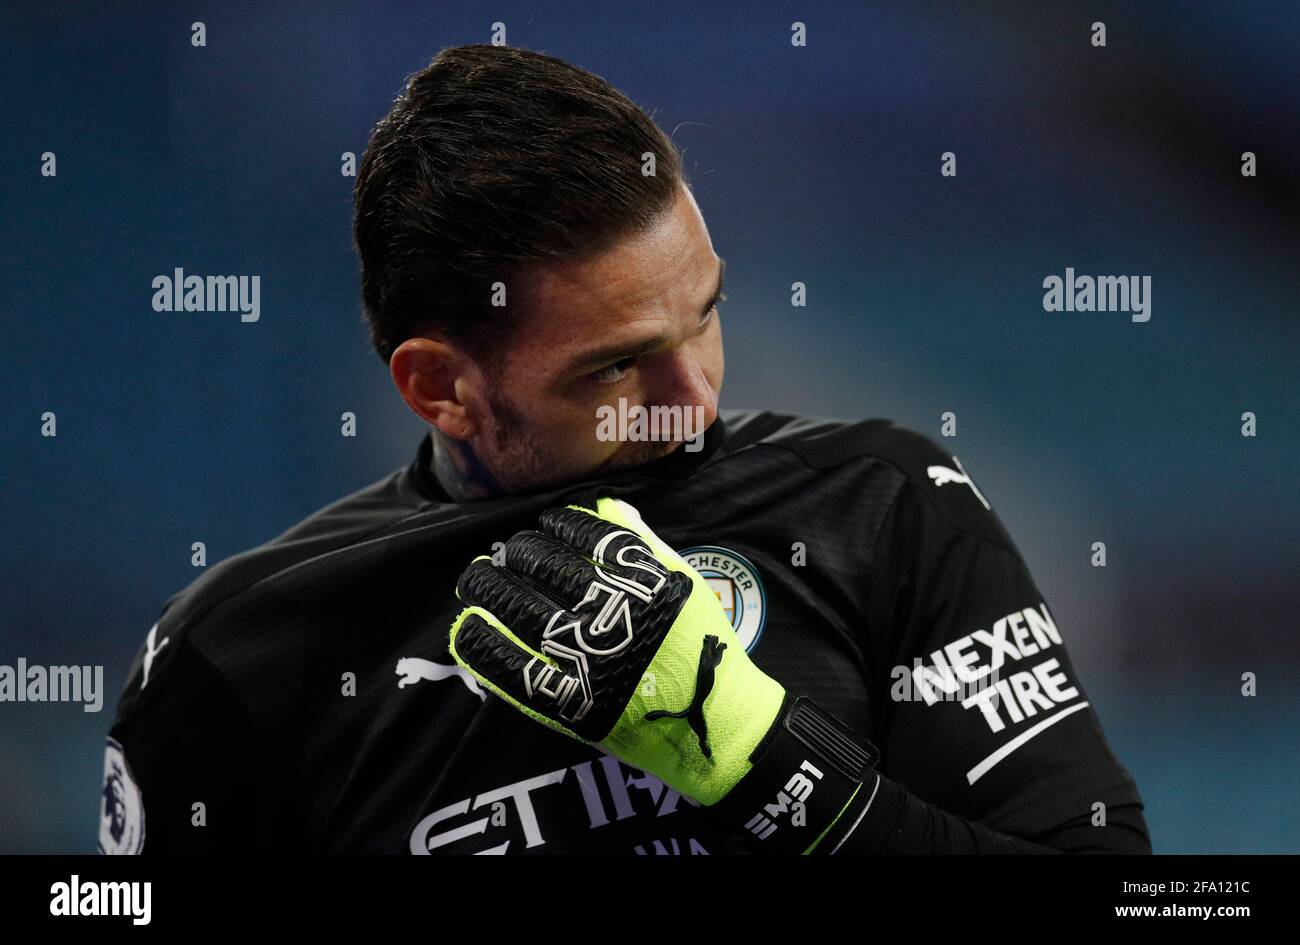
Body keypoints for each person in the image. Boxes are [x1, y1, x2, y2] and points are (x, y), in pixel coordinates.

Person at [101, 43, 1149, 854]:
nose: (692, 404)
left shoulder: (882, 507)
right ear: (440, 386)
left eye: (707, 315)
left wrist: (756, 763)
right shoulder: (236, 657)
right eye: (615, 368)